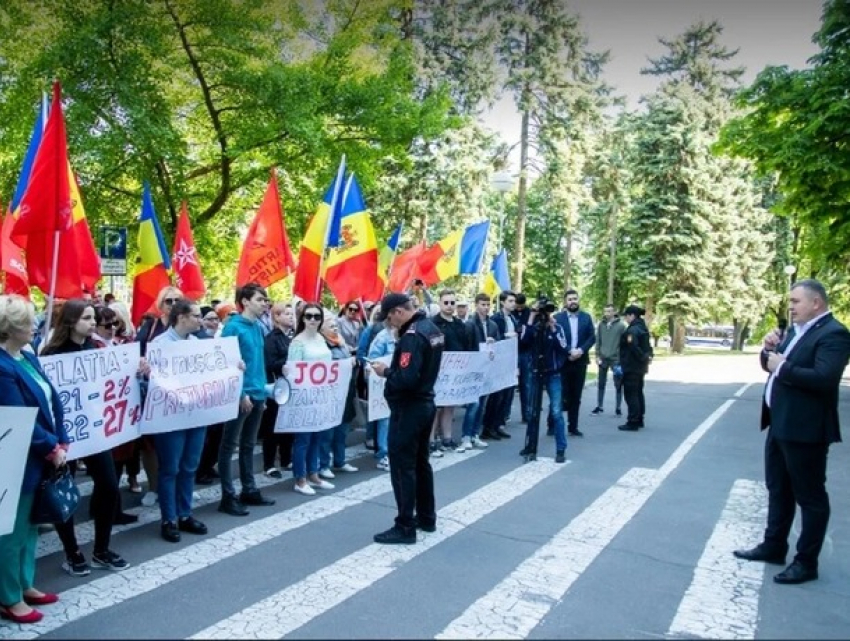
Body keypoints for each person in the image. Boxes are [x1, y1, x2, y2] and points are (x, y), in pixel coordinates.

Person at [734, 279, 850, 585]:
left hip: (806, 430)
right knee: (778, 489)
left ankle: (805, 562)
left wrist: (781, 366)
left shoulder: (834, 334)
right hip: (780, 424)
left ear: (816, 303)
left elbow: (824, 378)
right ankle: (774, 546)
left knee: (810, 497)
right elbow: (770, 365)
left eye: (796, 301)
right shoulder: (796, 333)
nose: (791, 307)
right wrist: (767, 350)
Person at [41, 300, 131, 574]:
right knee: (63, 493)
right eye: (87, 318)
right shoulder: (51, 353)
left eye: (93, 318)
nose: (93, 323)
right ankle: (73, 552)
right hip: (63, 437)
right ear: (70, 321)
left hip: (92, 434)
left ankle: (101, 550)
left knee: (108, 485)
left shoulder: (95, 349)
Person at [0, 295, 69, 624]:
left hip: (39, 455)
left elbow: (51, 400)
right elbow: (17, 416)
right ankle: (8, 597)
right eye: (28, 322)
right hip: (16, 460)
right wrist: (51, 447)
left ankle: (25, 583)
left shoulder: (26, 356)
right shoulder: (1, 366)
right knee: (11, 533)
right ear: (9, 328)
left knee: (30, 527)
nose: (36, 326)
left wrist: (63, 438)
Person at [371, 293, 444, 544]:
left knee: (403, 467)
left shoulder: (412, 336)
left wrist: (385, 371)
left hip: (410, 407)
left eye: (390, 317)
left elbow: (407, 377)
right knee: (421, 463)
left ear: (399, 312)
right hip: (425, 404)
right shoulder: (432, 328)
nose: (390, 323)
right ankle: (426, 517)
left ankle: (405, 525)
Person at [149, 299, 209, 542]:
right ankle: (168, 518)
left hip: (195, 415)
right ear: (181, 317)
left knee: (189, 466)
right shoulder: (159, 345)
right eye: (195, 315)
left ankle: (184, 513)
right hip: (170, 417)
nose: (200, 320)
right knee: (170, 468)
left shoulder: (198, 344)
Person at [217, 282, 275, 516]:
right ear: (245, 302)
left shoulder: (257, 327)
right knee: (229, 444)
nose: (265, 304)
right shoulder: (233, 327)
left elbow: (257, 362)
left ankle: (248, 489)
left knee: (249, 444)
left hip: (258, 393)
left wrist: (263, 391)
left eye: (265, 300)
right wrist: (241, 393)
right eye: (260, 300)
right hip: (240, 396)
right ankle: (227, 495)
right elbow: (227, 364)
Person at [287, 304, 336, 496]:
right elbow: (292, 370)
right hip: (304, 396)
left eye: (317, 316)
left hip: (321, 395)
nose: (313, 320)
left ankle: (313, 474)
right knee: (303, 439)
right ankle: (300, 479)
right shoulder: (297, 343)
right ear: (303, 319)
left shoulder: (321, 338)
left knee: (317, 437)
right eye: (309, 316)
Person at [518, 300, 570, 462]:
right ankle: (530, 446)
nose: (546, 315)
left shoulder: (557, 327)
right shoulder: (534, 328)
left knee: (556, 411)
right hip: (535, 372)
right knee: (533, 411)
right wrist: (532, 316)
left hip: (553, 374)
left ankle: (561, 449)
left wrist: (553, 326)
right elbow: (524, 340)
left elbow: (563, 347)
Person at [430, 289, 473, 453]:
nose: (449, 306)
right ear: (440, 303)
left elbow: (465, 346)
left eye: (452, 303)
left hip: (456, 372)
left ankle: (447, 438)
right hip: (438, 371)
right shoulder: (433, 323)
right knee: (436, 407)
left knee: (450, 406)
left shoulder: (459, 324)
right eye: (446, 302)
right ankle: (432, 440)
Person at [317, 314, 359, 478]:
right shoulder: (321, 345)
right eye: (331, 325)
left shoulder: (341, 343)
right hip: (330, 394)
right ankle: (323, 464)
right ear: (322, 329)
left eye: (336, 325)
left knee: (342, 430)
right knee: (328, 432)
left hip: (345, 392)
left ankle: (340, 461)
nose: (335, 328)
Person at [460, 294, 501, 450]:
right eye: (483, 304)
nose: (485, 307)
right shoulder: (470, 324)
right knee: (473, 404)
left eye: (487, 304)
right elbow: (467, 346)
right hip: (473, 367)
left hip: (486, 368)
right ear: (476, 305)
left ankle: (475, 434)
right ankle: (466, 435)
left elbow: (498, 346)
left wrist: (493, 343)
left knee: (482, 403)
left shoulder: (493, 325)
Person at [260, 302, 295, 479]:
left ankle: (286, 459)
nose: (291, 316)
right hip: (276, 388)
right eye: (286, 313)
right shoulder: (272, 339)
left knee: (287, 424)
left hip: (289, 387)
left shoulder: (290, 337)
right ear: (276, 317)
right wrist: (285, 364)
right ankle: (269, 464)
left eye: (292, 314)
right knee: (272, 427)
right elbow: (269, 364)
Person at [554, 289, 595, 437]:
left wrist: (581, 350)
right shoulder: (557, 318)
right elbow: (556, 337)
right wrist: (568, 351)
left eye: (575, 299)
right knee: (559, 395)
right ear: (565, 302)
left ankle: (573, 426)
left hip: (580, 361)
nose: (573, 301)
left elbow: (592, 337)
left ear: (578, 300)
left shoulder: (586, 317)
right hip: (563, 362)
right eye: (570, 299)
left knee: (576, 396)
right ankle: (552, 424)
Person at [617, 305, 653, 431]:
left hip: (632, 366)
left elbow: (633, 347)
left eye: (626, 316)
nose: (625, 318)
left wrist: (642, 357)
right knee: (638, 392)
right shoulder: (643, 328)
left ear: (632, 315)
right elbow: (648, 347)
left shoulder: (632, 331)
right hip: (640, 368)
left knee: (630, 394)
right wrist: (647, 358)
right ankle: (639, 418)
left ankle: (633, 421)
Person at [591, 304, 627, 417]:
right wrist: (597, 355)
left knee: (618, 384)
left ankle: (618, 408)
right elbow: (598, 341)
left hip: (616, 360)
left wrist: (621, 359)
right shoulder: (601, 325)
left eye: (609, 311)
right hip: (603, 358)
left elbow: (624, 344)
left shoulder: (621, 326)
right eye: (605, 311)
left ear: (614, 312)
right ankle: (599, 406)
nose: (607, 314)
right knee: (601, 383)